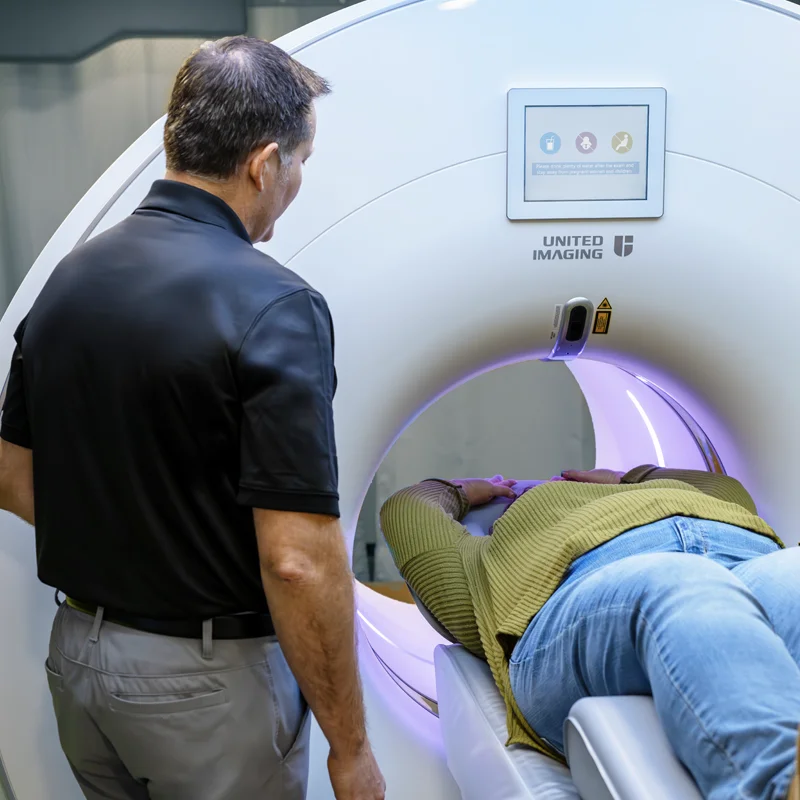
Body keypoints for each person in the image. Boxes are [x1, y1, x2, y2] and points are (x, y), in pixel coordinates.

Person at [0, 36, 384, 800]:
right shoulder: (276, 308)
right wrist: (351, 750)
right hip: (207, 691)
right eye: (302, 161)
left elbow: (11, 477)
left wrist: (141, 546)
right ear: (264, 162)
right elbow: (297, 560)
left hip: (80, 665)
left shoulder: (70, 282)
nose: (297, 179)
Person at [380, 466, 800, 800]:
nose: (550, 483)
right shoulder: (494, 550)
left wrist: (626, 478)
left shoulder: (691, 496)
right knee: (683, 584)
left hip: (746, 557)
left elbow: (723, 486)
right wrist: (466, 490)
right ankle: (779, 785)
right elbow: (406, 510)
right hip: (588, 588)